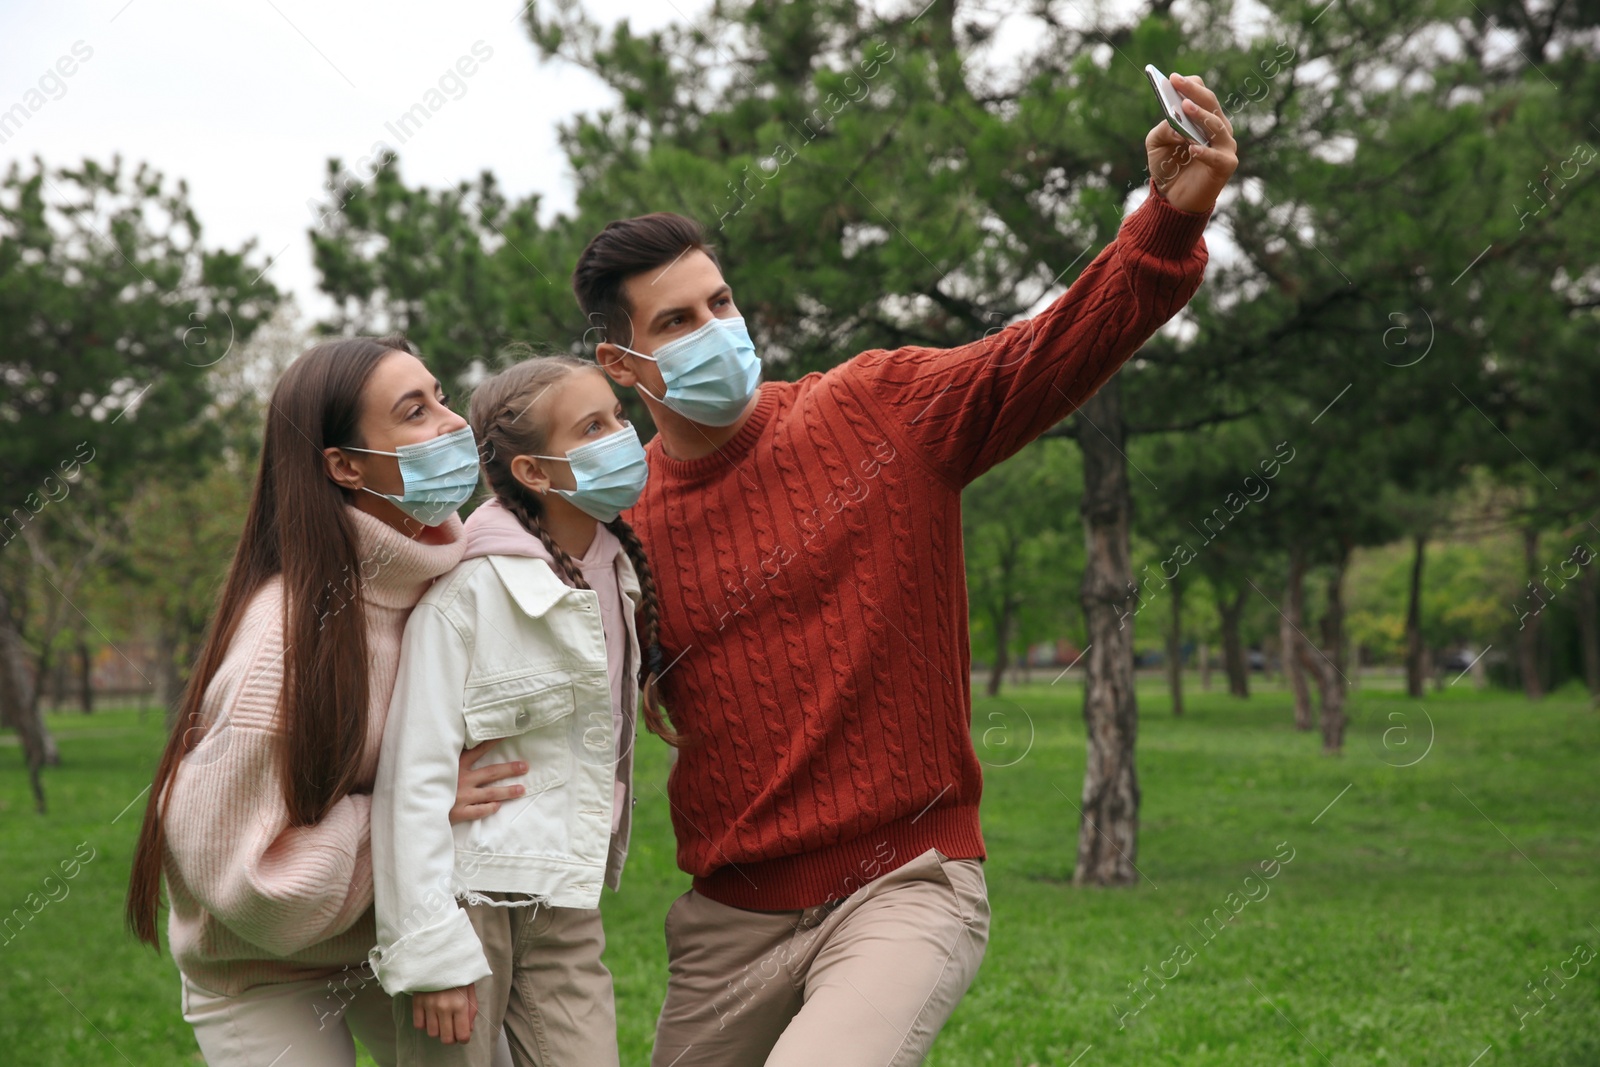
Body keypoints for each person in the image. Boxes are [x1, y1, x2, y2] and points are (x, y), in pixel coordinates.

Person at [573, 74, 1239, 1066]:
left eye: (721, 302)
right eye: (676, 322)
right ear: (624, 366)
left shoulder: (877, 408)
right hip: (727, 922)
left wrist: (1165, 224)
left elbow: (1045, 351)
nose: (716, 329)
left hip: (904, 880)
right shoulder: (614, 528)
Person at [125, 338, 525, 1067]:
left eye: (440, 396)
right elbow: (246, 881)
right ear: (344, 465)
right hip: (260, 967)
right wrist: (418, 802)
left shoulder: (444, 581)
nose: (451, 424)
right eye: (414, 412)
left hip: (387, 927)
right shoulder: (279, 645)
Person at [368, 354, 672, 1067]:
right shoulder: (468, 592)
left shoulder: (619, 565)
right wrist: (432, 952)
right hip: (468, 897)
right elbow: (411, 778)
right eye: (591, 426)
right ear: (534, 472)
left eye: (618, 418)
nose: (620, 437)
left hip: (565, 897)